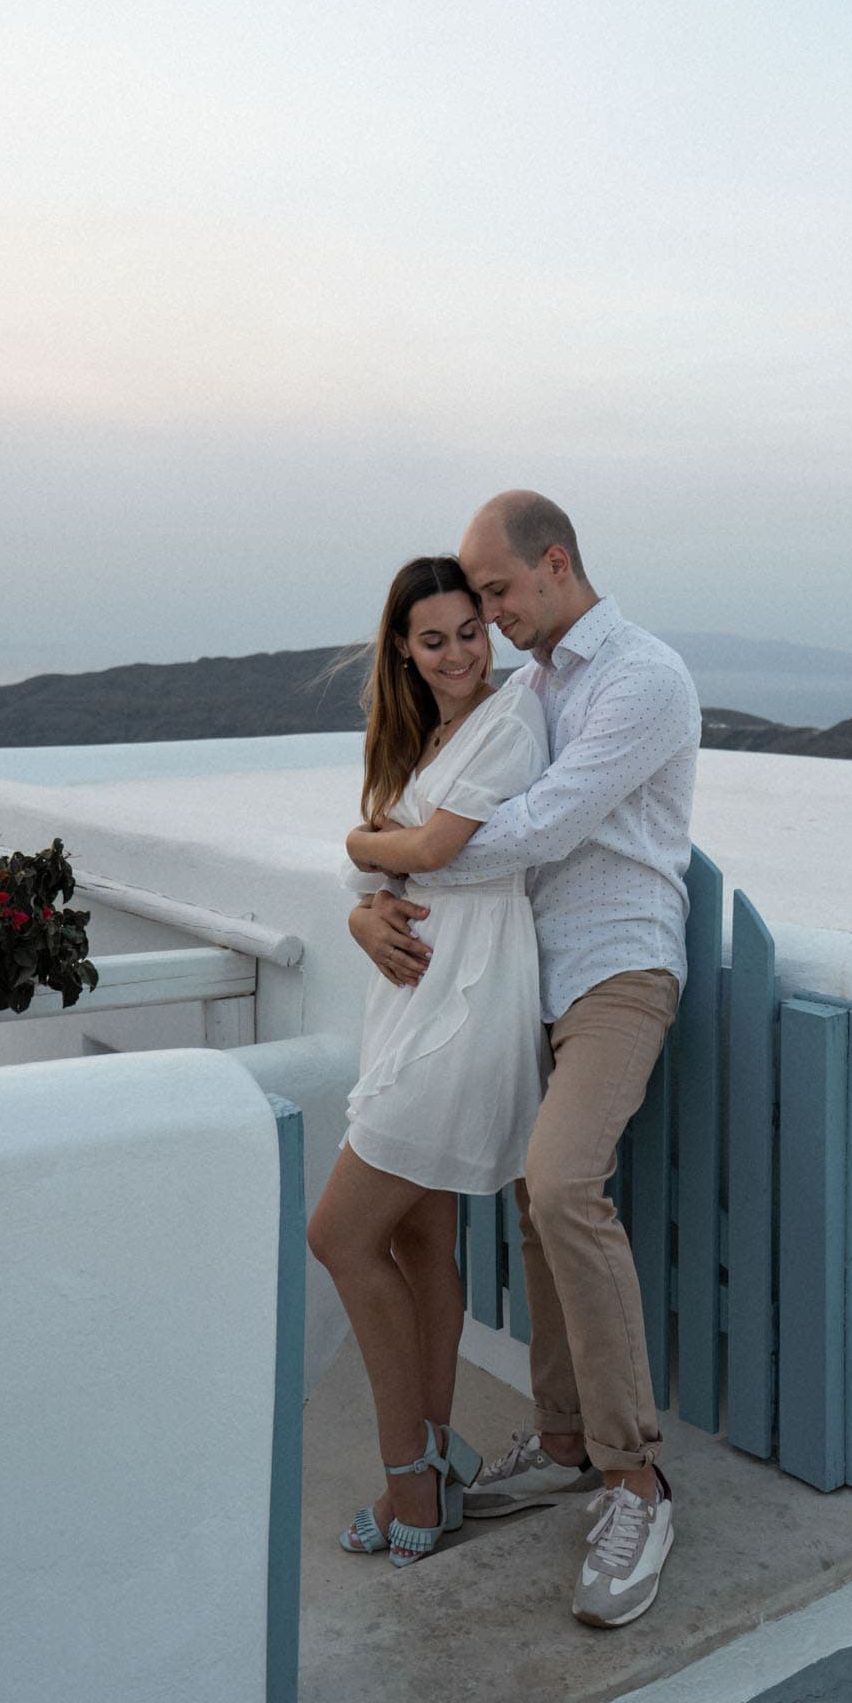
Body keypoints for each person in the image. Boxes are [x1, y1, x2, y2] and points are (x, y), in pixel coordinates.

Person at [349, 492, 699, 1627]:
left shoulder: (639, 677)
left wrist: (381, 858)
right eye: (471, 604)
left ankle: (635, 1479)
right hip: (526, 987)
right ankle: (561, 1439)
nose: (486, 618)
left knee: (560, 1184)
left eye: (496, 592)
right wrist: (370, 896)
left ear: (556, 564)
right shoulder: (533, 686)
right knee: (529, 1203)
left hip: (615, 970)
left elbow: (537, 829)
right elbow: (441, 807)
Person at [306, 554, 550, 1569]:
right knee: (416, 1245)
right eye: (435, 638)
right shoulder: (422, 741)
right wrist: (365, 909)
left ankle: (407, 1469)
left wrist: (362, 845)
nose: (458, 652)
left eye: (469, 630)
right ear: (403, 649)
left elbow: (438, 848)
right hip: (410, 1001)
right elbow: (389, 870)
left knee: (338, 1234)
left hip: (469, 1009)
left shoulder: (510, 720)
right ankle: (440, 1465)